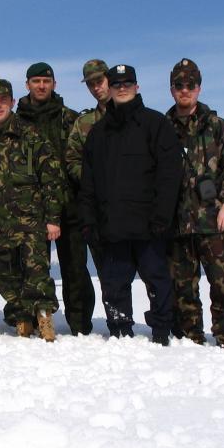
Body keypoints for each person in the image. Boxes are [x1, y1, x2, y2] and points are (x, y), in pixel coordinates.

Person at [78, 64, 182, 345]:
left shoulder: (156, 124)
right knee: (113, 285)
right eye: (117, 84)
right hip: (111, 227)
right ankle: (120, 329)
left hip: (150, 225)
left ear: (137, 87)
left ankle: (162, 329)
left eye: (128, 84)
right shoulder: (98, 134)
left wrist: (163, 217)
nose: (122, 88)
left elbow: (170, 174)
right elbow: (88, 183)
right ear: (109, 89)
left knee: (158, 280)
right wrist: (89, 221)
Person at [0, 79, 62, 342]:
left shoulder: (30, 135)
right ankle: (22, 318)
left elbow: (51, 178)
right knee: (4, 276)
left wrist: (53, 218)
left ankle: (44, 318)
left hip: (30, 221)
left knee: (37, 274)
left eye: (3, 100)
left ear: (12, 102)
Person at [166, 58, 224, 349]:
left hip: (213, 220)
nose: (185, 91)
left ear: (199, 88)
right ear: (171, 89)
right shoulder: (163, 128)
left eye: (190, 85)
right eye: (179, 85)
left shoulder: (217, 127)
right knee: (183, 287)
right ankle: (191, 337)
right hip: (178, 221)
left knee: (221, 283)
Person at [16, 62, 95, 336]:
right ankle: (32, 319)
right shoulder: (17, 123)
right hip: (31, 210)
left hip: (69, 207)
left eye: (45, 81)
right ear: (27, 84)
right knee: (31, 270)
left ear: (54, 84)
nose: (41, 86)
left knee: (75, 269)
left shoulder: (71, 119)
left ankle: (80, 325)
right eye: (35, 81)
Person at [65, 59, 111, 274]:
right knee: (109, 281)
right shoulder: (84, 123)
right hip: (100, 214)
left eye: (99, 81)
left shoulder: (137, 116)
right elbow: (71, 160)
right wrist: (94, 179)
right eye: (90, 84)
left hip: (137, 212)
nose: (96, 87)